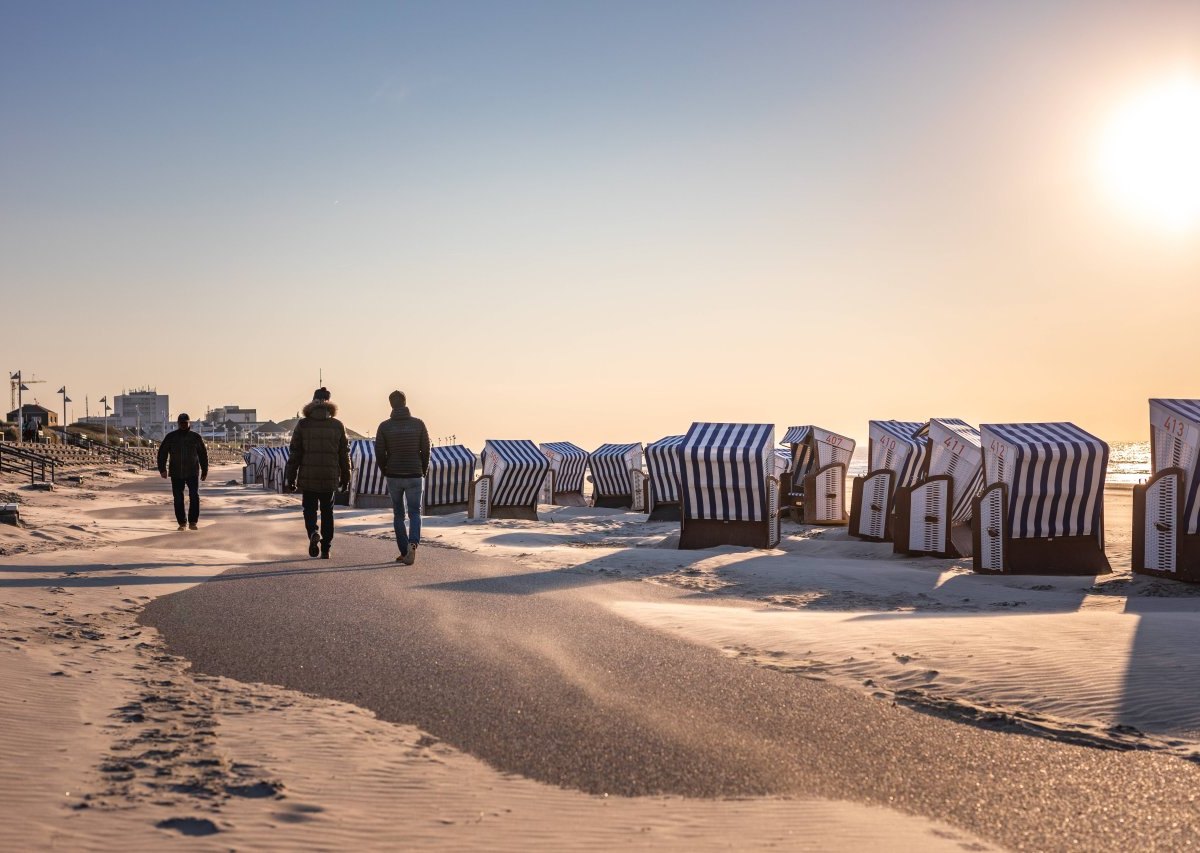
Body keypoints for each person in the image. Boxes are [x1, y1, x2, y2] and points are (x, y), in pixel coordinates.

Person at [284, 387, 351, 559]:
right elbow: (344, 454)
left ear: (313, 401)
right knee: (328, 512)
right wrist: (346, 476)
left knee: (309, 509)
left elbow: (295, 454)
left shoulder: (303, 424)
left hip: (308, 477)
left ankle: (313, 532)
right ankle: (326, 548)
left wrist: (290, 477)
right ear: (330, 403)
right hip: (329, 477)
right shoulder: (337, 425)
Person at [374, 390, 430, 565]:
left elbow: (379, 453)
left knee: (399, 514)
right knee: (415, 512)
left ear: (391, 404)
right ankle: (413, 544)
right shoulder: (419, 424)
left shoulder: (384, 426)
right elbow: (426, 450)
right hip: (414, 474)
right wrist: (423, 469)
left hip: (394, 474)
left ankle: (404, 550)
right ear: (405, 402)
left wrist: (386, 470)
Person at [157, 413, 209, 531]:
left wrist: (205, 470)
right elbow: (162, 453)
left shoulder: (195, 437)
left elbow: (203, 455)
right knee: (178, 498)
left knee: (194, 496)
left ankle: (193, 522)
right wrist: (162, 469)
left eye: (186, 423)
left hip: (192, 472)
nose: (184, 425)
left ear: (189, 423)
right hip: (176, 473)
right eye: (181, 423)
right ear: (178, 423)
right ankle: (182, 523)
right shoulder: (171, 437)